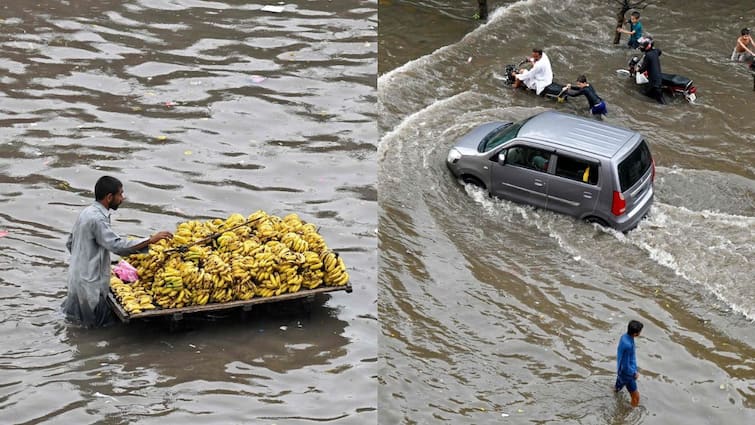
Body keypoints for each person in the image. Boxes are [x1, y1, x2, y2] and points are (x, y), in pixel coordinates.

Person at [62, 176, 173, 327]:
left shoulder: (86, 213)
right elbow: (117, 246)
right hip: (91, 287)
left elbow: (70, 243)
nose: (122, 198)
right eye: (120, 194)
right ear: (109, 197)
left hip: (76, 280)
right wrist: (150, 240)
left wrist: (85, 261)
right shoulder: (98, 219)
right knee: (97, 329)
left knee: (76, 324)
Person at [615, 320, 644, 407]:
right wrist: (633, 373)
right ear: (635, 334)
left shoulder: (624, 337)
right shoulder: (628, 345)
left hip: (620, 370)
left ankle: (615, 395)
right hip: (627, 374)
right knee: (636, 397)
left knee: (617, 388)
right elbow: (626, 364)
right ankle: (630, 412)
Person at [636, 36, 665, 104]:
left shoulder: (648, 56)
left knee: (644, 95)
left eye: (643, 46)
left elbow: (642, 69)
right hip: (658, 79)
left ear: (647, 46)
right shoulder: (656, 51)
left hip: (654, 83)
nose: (641, 47)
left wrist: (637, 69)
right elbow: (659, 51)